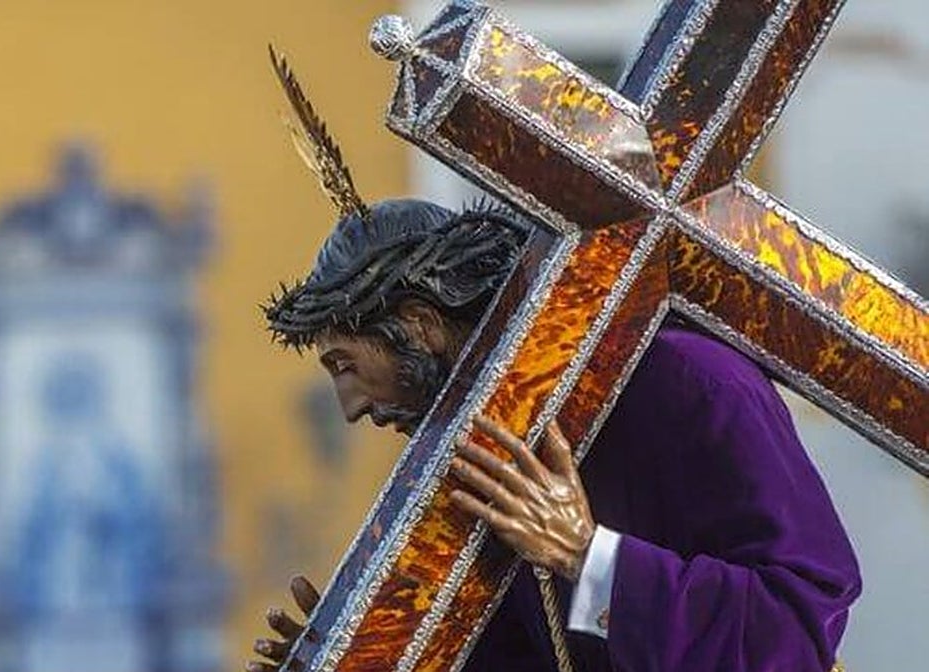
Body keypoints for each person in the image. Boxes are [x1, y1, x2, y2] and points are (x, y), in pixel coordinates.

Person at [248, 53, 861, 672]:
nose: (350, 409)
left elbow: (798, 628)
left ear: (420, 322)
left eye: (344, 364)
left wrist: (586, 557)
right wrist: (367, 659)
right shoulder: (485, 460)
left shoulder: (687, 380)